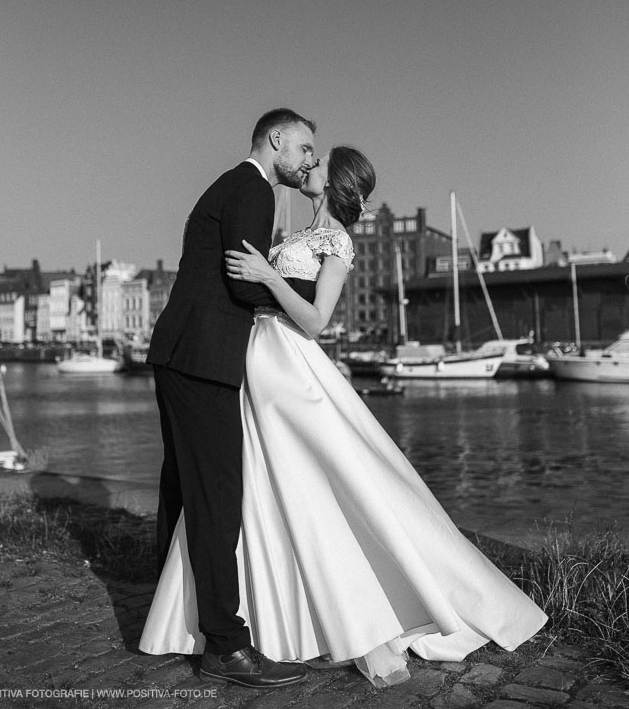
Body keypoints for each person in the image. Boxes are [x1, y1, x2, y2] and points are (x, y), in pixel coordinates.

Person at [141, 146, 547, 689]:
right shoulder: (294, 233)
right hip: (255, 358)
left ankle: (347, 605)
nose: (308, 167)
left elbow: (317, 322)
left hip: (290, 364)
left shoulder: (338, 241)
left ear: (336, 184)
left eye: (318, 163)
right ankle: (266, 617)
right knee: (255, 484)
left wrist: (269, 276)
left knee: (311, 479)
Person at [144, 108, 316, 690]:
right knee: (218, 499)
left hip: (182, 354)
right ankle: (224, 645)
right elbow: (245, 281)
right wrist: (308, 293)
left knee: (185, 489)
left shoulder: (229, 183)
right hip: (202, 361)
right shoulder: (254, 189)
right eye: (303, 148)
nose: (308, 161)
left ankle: (170, 620)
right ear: (275, 142)